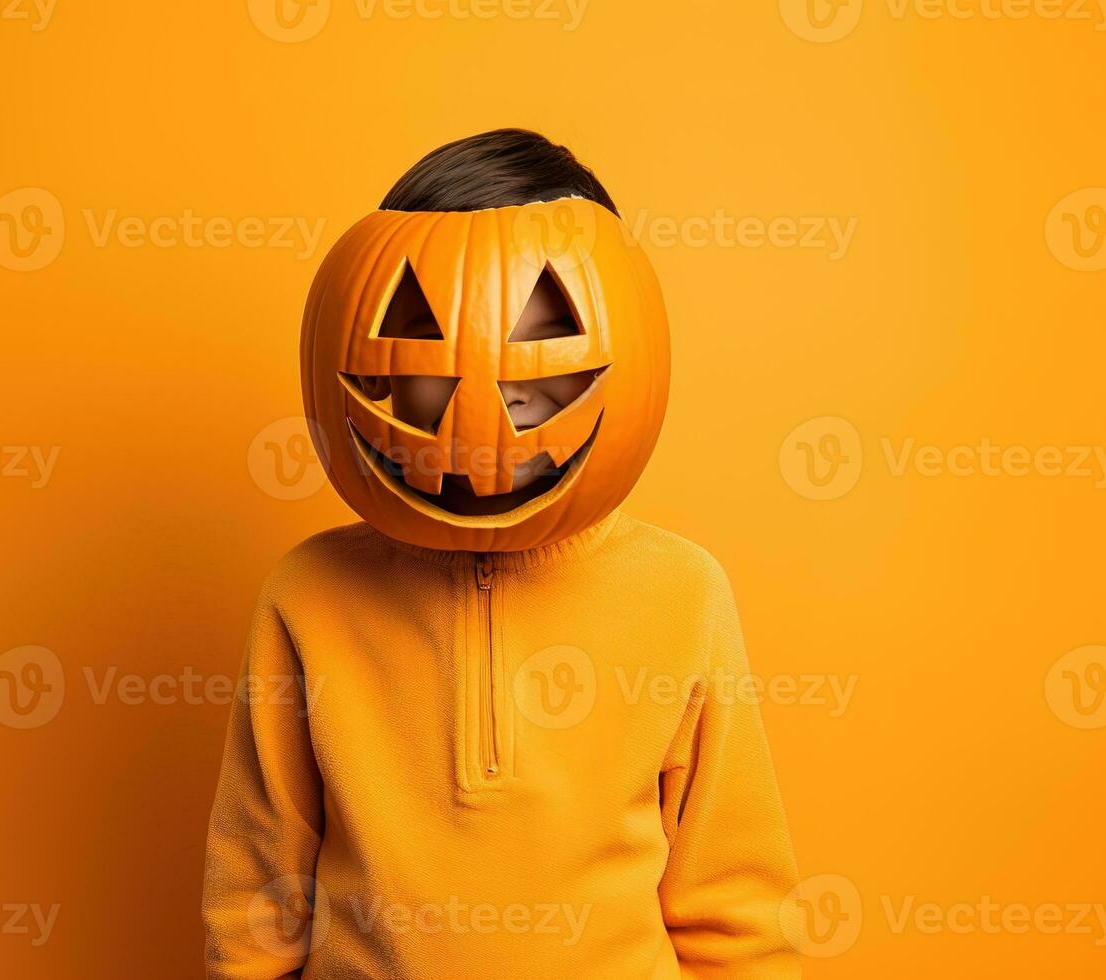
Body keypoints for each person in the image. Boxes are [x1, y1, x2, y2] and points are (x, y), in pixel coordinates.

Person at [202, 129, 801, 979]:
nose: (483, 413)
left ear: (613, 344)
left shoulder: (682, 591)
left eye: (532, 356)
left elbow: (734, 897)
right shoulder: (308, 594)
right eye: (432, 366)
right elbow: (257, 887)